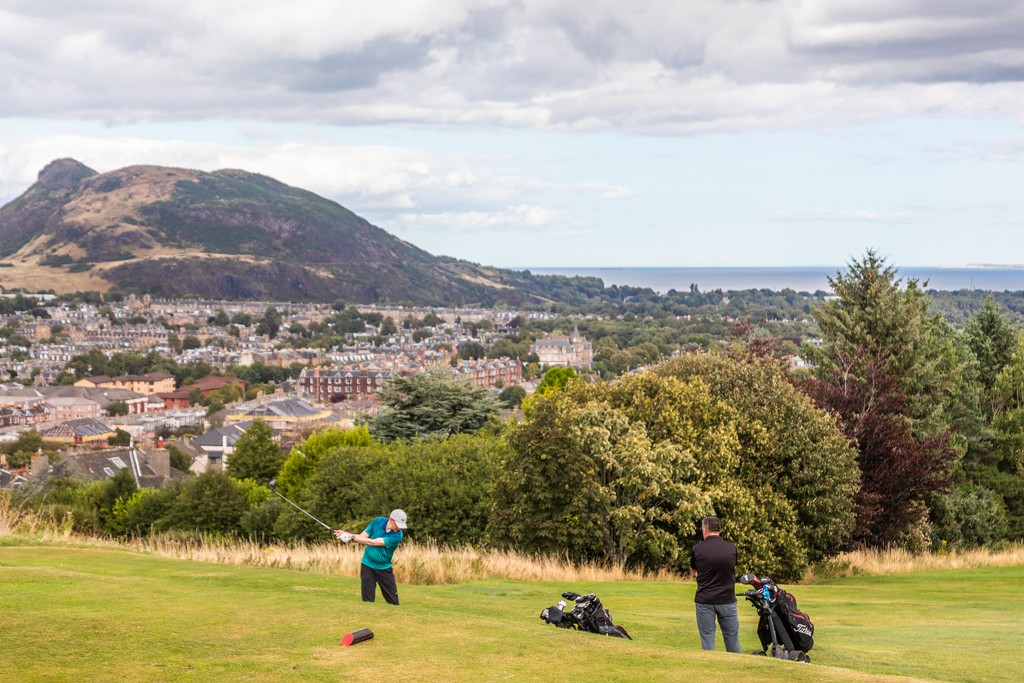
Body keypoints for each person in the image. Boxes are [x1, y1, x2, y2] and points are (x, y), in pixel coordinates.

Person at [690, 515, 742, 653]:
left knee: (707, 638)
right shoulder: (731, 548)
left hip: (705, 600)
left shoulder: (697, 549)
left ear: (705, 530)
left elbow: (694, 572)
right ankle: (737, 664)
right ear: (719, 530)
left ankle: (710, 664)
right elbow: (732, 567)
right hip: (727, 600)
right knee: (732, 638)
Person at [334, 509, 407, 605]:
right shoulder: (377, 521)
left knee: (393, 603)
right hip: (367, 565)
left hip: (384, 568)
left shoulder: (397, 536)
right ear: (391, 519)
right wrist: (346, 534)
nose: (399, 528)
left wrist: (351, 536)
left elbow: (373, 542)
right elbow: (362, 537)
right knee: (367, 602)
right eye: (398, 524)